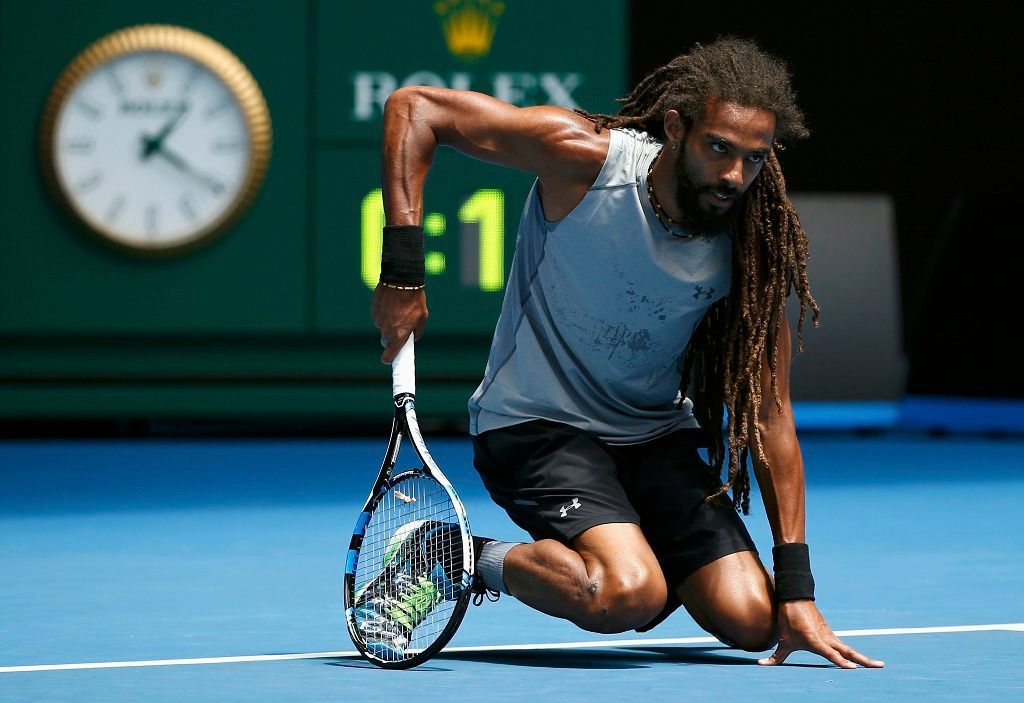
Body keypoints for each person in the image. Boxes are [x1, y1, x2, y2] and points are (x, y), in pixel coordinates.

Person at [370, 37, 884, 669]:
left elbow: (771, 417)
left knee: (753, 620)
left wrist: (799, 592)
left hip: (650, 434)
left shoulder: (752, 249)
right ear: (675, 127)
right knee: (625, 594)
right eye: (718, 148)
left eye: (753, 159)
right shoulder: (586, 161)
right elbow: (415, 108)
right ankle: (456, 555)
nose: (733, 176)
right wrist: (402, 272)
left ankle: (632, 546)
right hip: (536, 425)